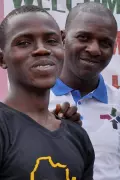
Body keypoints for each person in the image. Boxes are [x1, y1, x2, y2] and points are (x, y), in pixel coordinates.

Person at [48, 2, 120, 180]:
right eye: (83, 37)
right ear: (62, 38)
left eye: (105, 42)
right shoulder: (35, 101)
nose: (94, 49)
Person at [0, 5, 95, 179]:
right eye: (23, 43)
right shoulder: (4, 128)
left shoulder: (77, 136)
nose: (42, 49)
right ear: (2, 58)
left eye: (51, 41)